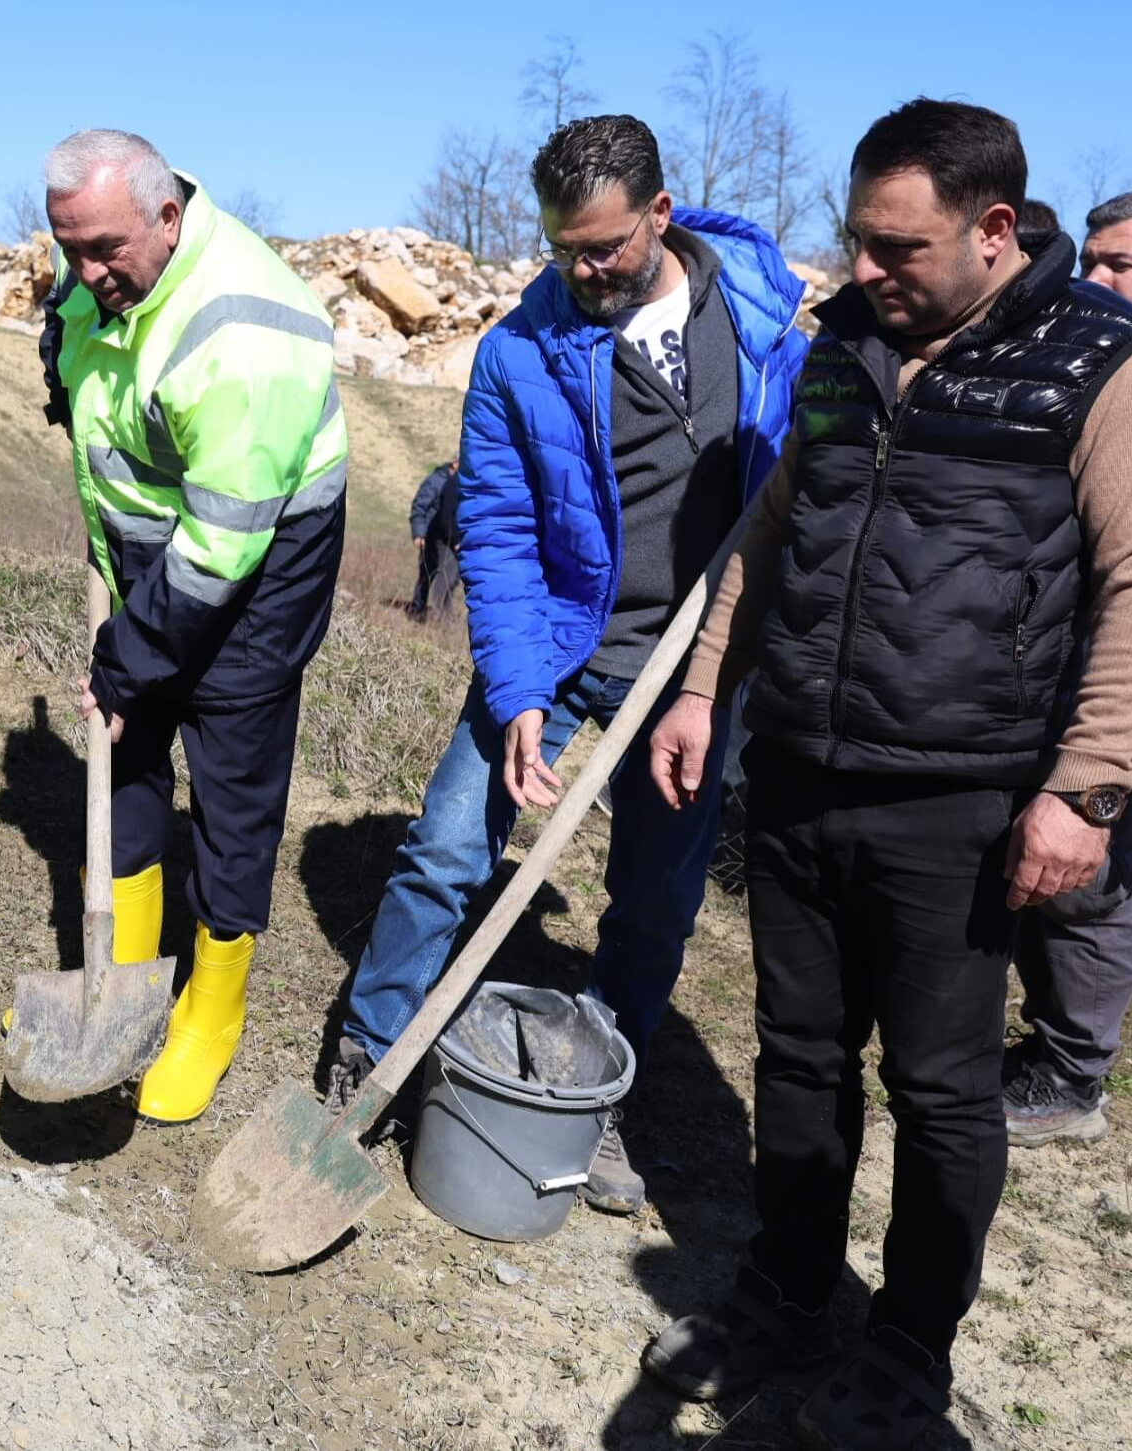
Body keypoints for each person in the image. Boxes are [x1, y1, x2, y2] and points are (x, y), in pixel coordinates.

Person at [641, 100, 1132, 1447]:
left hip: (965, 790)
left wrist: (1088, 786)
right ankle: (788, 1280)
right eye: (856, 240)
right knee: (798, 1049)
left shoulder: (1104, 364)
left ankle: (910, 1341)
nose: (867, 269)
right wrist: (708, 686)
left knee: (941, 1084)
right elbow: (772, 537)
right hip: (802, 768)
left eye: (899, 246)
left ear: (994, 229)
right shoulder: (842, 349)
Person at [319, 115, 809, 1216]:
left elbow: (792, 479)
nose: (581, 272)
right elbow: (493, 530)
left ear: (660, 216)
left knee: (654, 896)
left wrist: (720, 665)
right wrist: (521, 693)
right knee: (446, 849)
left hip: (700, 668)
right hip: (564, 644)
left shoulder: (766, 313)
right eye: (560, 249)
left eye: (603, 248)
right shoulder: (517, 351)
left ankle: (592, 1097)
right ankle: (372, 1047)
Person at [33, 130, 347, 1125]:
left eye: (104, 252)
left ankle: (210, 1011)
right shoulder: (106, 261)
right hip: (153, 542)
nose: (85, 272)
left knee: (232, 781)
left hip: (259, 563)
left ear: (167, 217)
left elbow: (220, 549)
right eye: (66, 247)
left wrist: (127, 654)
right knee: (121, 749)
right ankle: (120, 980)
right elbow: (85, 336)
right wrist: (64, 351)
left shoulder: (248, 331)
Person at [998, 190, 1132, 1147]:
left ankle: (1072, 1074)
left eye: (1117, 265)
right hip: (1042, 654)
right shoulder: (1093, 350)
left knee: (1093, 866)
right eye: (1087, 260)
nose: (1092, 280)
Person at [404, 455, 461, 619]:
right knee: (427, 573)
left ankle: (441, 612)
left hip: (444, 534)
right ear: (454, 463)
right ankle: (417, 609)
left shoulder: (457, 483)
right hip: (429, 534)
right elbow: (420, 506)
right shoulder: (436, 481)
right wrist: (418, 533)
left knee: (448, 575)